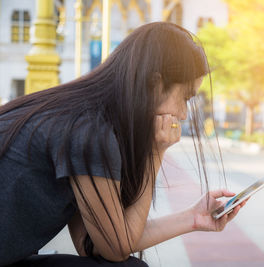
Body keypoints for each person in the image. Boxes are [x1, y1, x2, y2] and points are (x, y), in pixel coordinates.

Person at [0, 22, 246, 266]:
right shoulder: (91, 130)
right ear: (155, 84)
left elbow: (93, 244)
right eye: (185, 97)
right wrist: (154, 154)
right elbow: (116, 248)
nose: (183, 114)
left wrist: (193, 218)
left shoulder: (81, 116)